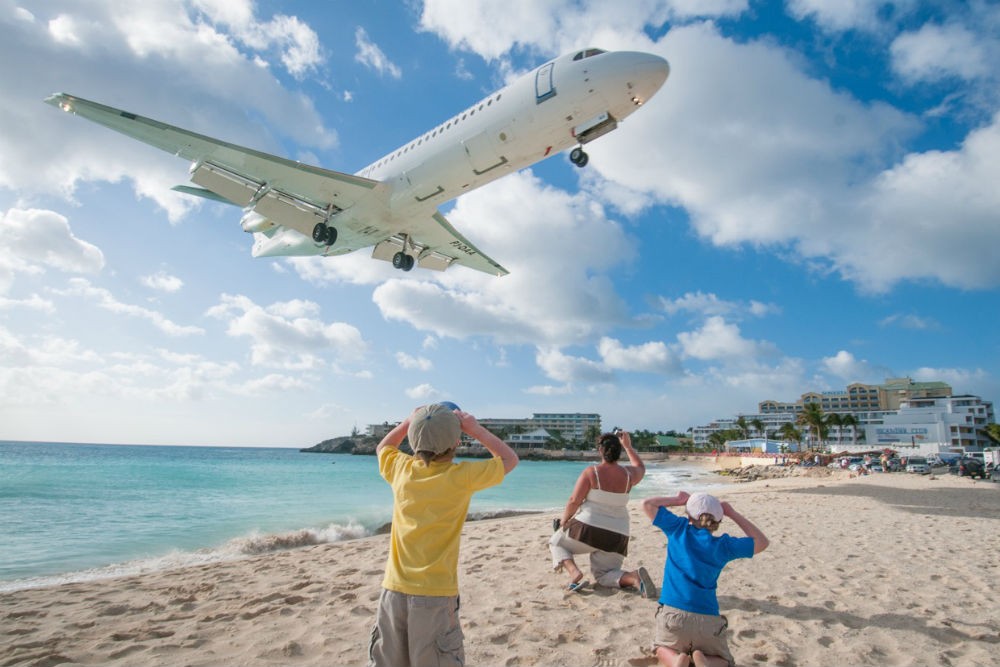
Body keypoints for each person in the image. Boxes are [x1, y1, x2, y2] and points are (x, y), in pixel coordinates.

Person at [367, 403, 519, 667]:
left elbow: (383, 448)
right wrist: (476, 429)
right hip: (435, 594)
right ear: (457, 441)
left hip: (393, 590)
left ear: (414, 440)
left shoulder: (401, 470)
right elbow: (509, 460)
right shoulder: (461, 477)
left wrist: (407, 422)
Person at [641, 491, 769, 667]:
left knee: (659, 648)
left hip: (673, 615)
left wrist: (678, 500)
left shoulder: (678, 529)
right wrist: (732, 513)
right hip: (707, 620)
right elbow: (762, 542)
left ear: (689, 516)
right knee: (725, 661)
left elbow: (648, 504)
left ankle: (675, 660)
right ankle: (706, 661)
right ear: (717, 521)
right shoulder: (723, 545)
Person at [549, 430, 656, 596]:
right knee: (604, 574)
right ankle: (634, 578)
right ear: (618, 452)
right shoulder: (629, 475)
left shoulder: (592, 472)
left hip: (588, 529)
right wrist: (628, 447)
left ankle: (574, 572)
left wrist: (564, 521)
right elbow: (640, 467)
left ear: (600, 450)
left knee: (556, 542)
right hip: (618, 534)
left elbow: (573, 501)